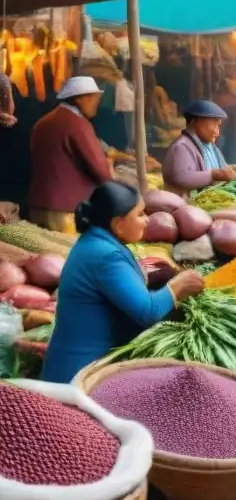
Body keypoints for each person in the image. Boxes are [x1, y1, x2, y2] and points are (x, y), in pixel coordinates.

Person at [41, 183, 205, 383]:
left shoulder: (95, 241)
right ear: (118, 224)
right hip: (80, 374)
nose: (147, 220)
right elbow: (148, 311)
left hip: (78, 365)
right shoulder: (106, 255)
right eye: (140, 214)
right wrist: (179, 286)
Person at [28, 76, 111, 232]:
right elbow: (101, 172)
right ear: (79, 98)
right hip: (66, 210)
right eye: (93, 99)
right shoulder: (79, 125)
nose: (96, 105)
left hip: (37, 204)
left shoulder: (42, 123)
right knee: (64, 254)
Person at [162, 100, 236, 197]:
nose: (217, 132)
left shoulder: (212, 148)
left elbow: (221, 168)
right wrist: (214, 175)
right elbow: (181, 177)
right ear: (194, 122)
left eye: (218, 126)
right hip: (184, 204)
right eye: (213, 125)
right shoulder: (182, 147)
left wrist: (229, 171)